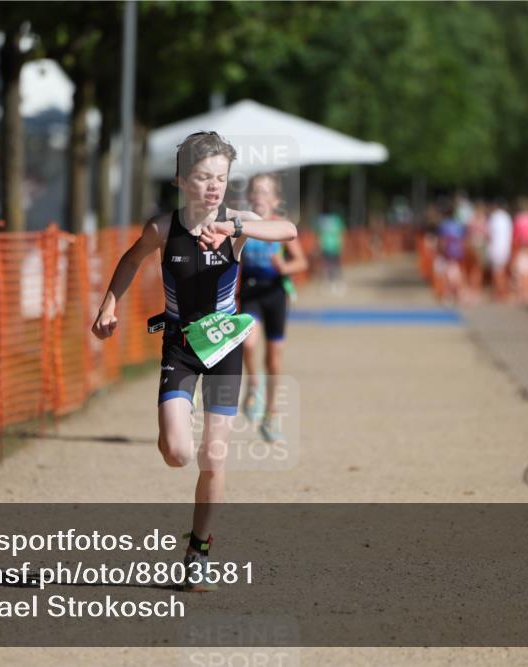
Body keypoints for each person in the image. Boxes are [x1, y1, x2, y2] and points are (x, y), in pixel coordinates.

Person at [91, 131, 297, 591]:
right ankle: (191, 524)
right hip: (181, 350)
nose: (213, 187)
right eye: (203, 177)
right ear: (182, 180)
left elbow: (288, 230)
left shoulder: (236, 221)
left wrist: (236, 229)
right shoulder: (163, 229)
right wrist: (109, 304)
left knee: (213, 455)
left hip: (224, 349)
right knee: (177, 453)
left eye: (220, 178)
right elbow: (129, 261)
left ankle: (197, 552)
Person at [238, 173, 309, 442]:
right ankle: (253, 384)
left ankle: (271, 414)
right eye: (256, 191)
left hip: (275, 293)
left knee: (274, 359)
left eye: (266, 192)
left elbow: (301, 262)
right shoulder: (241, 224)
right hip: (250, 292)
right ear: (248, 197)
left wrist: (285, 267)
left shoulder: (281, 227)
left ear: (276, 199)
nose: (259, 196)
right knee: (247, 343)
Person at [486, 199, 513, 300]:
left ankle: (500, 293)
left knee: (497, 272)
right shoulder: (507, 217)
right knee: (502, 271)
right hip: (506, 247)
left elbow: (489, 233)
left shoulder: (494, 217)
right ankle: (503, 291)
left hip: (496, 247)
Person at [316, 207, 346, 294]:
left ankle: (336, 284)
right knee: (330, 267)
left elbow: (319, 234)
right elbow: (341, 233)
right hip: (330, 246)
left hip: (331, 246)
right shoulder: (333, 220)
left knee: (331, 267)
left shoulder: (322, 220)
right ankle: (330, 284)